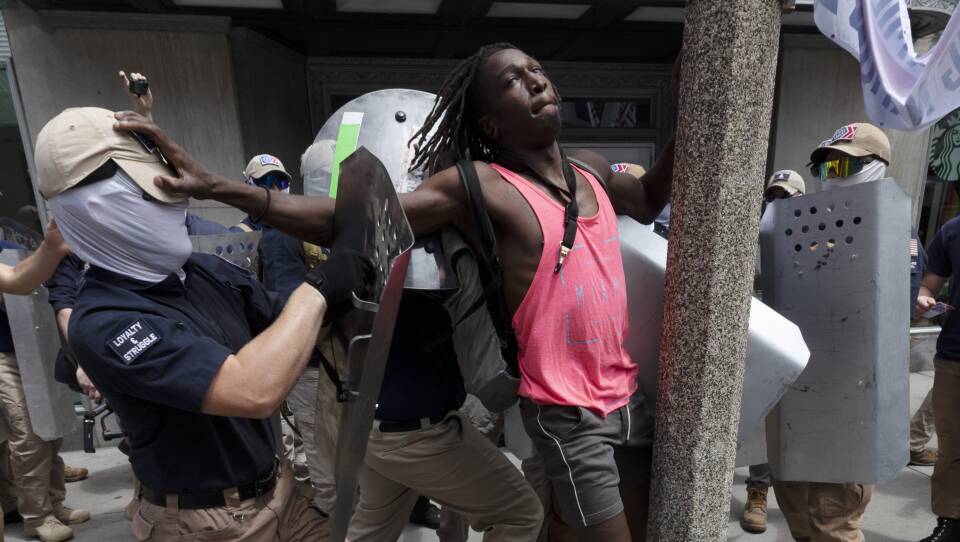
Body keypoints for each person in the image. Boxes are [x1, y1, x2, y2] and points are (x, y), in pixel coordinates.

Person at [115, 42, 675, 542]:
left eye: (537, 70)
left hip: (628, 396)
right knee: (558, 523)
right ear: (491, 125)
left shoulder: (593, 171)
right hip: (566, 410)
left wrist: (696, 110)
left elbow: (649, 200)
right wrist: (223, 188)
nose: (535, 81)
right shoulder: (481, 186)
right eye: (512, 80)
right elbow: (350, 218)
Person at [34, 106, 373, 542]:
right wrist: (321, 287)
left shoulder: (203, 272)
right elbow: (253, 390)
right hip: (204, 523)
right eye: (154, 194)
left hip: (279, 490)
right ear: (98, 213)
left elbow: (293, 331)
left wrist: (351, 282)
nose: (176, 202)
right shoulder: (103, 322)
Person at [772, 123, 892, 542]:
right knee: (801, 521)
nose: (832, 177)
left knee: (833, 524)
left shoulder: (887, 235)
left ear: (876, 168)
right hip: (799, 405)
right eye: (824, 167)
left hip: (846, 411)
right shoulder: (805, 229)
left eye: (843, 164)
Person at [0, 220, 91, 542]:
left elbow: (22, 280)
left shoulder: (12, 240)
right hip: (4, 356)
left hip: (31, 347)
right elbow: (17, 283)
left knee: (48, 431)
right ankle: (37, 517)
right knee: (28, 435)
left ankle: (55, 504)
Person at [740, 169, 807, 535]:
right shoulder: (755, 236)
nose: (778, 204)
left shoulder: (818, 236)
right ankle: (757, 491)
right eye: (774, 196)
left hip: (808, 343)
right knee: (764, 419)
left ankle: (797, 488)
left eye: (788, 198)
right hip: (769, 341)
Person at [914, 216, 960, 541]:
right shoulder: (952, 230)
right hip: (955, 355)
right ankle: (950, 523)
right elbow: (929, 284)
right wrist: (923, 296)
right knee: (952, 446)